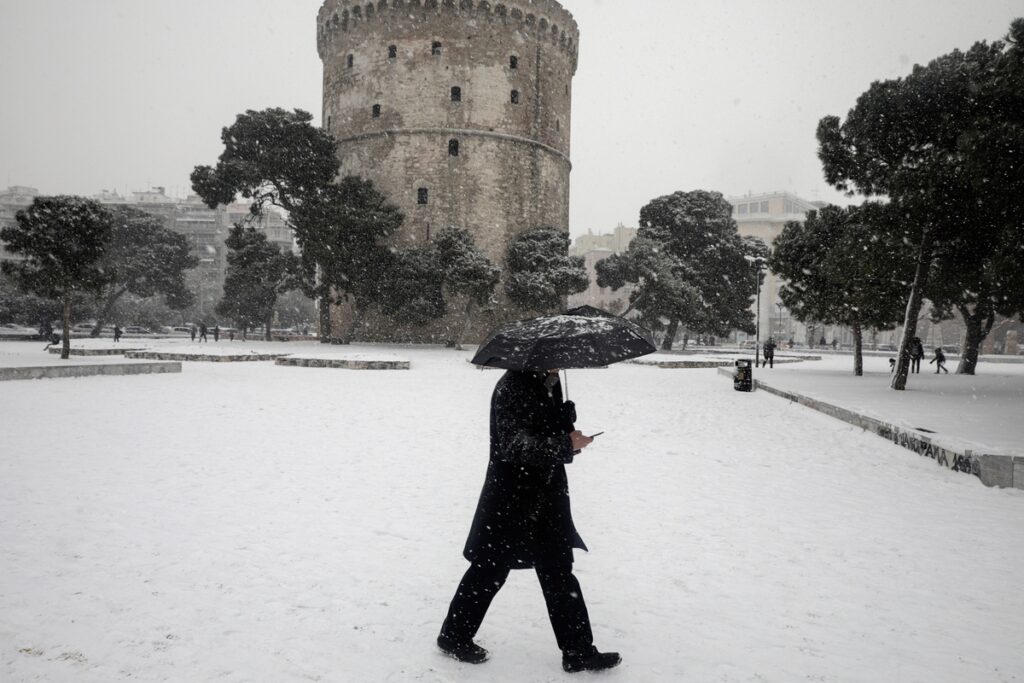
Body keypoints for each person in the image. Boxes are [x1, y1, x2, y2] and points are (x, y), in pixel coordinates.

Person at [438, 369, 621, 673]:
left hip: (547, 497)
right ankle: (453, 636)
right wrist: (565, 444)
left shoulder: (548, 381)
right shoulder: (511, 387)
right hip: (512, 498)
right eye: (552, 360)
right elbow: (514, 446)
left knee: (558, 572)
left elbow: (543, 431)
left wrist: (564, 420)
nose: (557, 366)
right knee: (489, 570)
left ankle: (577, 650)